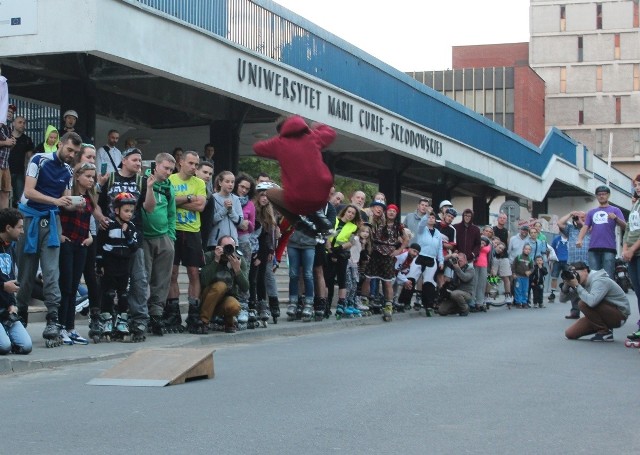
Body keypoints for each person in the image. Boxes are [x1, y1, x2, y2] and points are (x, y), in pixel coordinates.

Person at [16, 131, 79, 347]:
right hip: (29, 219)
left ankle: (53, 319)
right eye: (69, 149)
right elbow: (29, 191)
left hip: (52, 221)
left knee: (52, 272)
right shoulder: (38, 159)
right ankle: (19, 314)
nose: (71, 154)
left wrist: (77, 202)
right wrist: (57, 201)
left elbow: (66, 201)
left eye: (75, 152)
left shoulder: (69, 170)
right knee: (26, 273)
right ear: (60, 144)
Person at [97, 147, 156, 340]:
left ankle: (138, 319)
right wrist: (99, 186)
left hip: (133, 238)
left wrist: (150, 188)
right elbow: (98, 203)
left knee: (138, 279)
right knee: (109, 281)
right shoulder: (111, 178)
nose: (139, 163)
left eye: (140, 160)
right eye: (135, 160)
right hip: (110, 239)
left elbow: (149, 208)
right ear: (124, 160)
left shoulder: (142, 181)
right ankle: (105, 318)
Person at [252, 115, 336, 237]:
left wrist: (279, 139)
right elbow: (331, 133)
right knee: (310, 191)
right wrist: (318, 126)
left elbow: (257, 148)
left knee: (269, 193)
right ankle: (319, 218)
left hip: (297, 200)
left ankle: (300, 224)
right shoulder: (313, 137)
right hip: (322, 197)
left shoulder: (279, 143)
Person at [58, 162, 97, 345]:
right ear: (78, 176)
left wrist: (89, 236)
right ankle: (60, 327)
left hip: (82, 244)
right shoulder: (68, 194)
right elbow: (57, 213)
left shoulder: (89, 196)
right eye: (88, 176)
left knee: (74, 286)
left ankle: (70, 328)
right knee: (65, 287)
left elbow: (87, 220)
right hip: (67, 243)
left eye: (92, 177)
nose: (91, 180)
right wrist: (60, 235)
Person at [167, 151, 206, 333]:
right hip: (174, 230)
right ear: (180, 162)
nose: (194, 167)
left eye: (196, 164)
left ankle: (193, 314)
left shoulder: (199, 182)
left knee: (193, 273)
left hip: (192, 231)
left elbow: (201, 206)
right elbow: (168, 202)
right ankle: (173, 314)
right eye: (190, 163)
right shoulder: (171, 180)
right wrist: (190, 198)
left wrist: (178, 202)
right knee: (172, 273)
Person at [94, 192, 140, 342]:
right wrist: (99, 264)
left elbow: (134, 247)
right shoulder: (108, 225)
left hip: (124, 264)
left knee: (124, 294)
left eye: (131, 211)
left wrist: (127, 233)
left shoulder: (132, 227)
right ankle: (106, 319)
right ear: (116, 210)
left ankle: (122, 319)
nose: (129, 214)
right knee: (108, 293)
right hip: (109, 264)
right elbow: (99, 245)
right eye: (126, 211)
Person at [142, 153, 177, 335]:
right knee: (143, 277)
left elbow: (172, 213)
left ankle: (156, 314)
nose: (169, 172)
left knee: (162, 280)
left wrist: (171, 238)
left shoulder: (170, 187)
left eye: (171, 169)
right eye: (166, 168)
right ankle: (140, 314)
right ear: (156, 165)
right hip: (144, 237)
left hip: (164, 238)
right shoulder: (143, 180)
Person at [561, 261, 630, 341]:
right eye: (571, 273)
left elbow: (592, 302)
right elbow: (562, 299)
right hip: (602, 314)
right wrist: (566, 284)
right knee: (570, 333)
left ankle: (605, 332)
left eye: (575, 272)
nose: (574, 276)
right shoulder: (581, 283)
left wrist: (577, 286)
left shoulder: (599, 280)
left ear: (585, 270)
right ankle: (603, 327)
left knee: (583, 303)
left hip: (619, 316)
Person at [198, 235, 247, 333]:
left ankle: (229, 322)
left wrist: (237, 270)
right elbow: (203, 281)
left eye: (231, 247)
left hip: (224, 300)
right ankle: (204, 322)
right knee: (221, 286)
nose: (228, 250)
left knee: (235, 306)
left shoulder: (238, 260)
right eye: (225, 247)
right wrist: (216, 260)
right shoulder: (209, 256)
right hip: (207, 297)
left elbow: (245, 288)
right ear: (218, 247)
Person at [0, 208, 31, 355]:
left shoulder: (10, 247)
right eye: (19, 227)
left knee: (26, 346)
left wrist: (12, 304)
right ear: (8, 228)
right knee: (4, 347)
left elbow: (10, 279)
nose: (22, 231)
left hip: (5, 310)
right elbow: (5, 284)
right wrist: (3, 286)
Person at [577, 185, 626, 278]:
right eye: (599, 194)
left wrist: (616, 218)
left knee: (608, 276)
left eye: (604, 194)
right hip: (593, 248)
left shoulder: (615, 210)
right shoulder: (592, 212)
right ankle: (596, 293)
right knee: (594, 276)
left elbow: (625, 227)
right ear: (596, 196)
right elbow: (585, 226)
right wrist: (579, 239)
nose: (601, 196)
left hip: (609, 247)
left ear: (608, 195)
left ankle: (608, 292)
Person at [248, 183, 277, 325]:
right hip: (252, 248)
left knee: (261, 278)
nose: (265, 199)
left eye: (267, 196)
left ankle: (262, 304)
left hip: (264, 250)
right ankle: (251, 304)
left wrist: (270, 251)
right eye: (263, 195)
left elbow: (269, 236)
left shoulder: (269, 213)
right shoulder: (252, 208)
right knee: (252, 278)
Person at [325, 204, 362, 319]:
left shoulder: (354, 227)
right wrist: (330, 250)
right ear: (344, 211)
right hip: (328, 251)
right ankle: (326, 304)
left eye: (353, 213)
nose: (350, 214)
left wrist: (339, 249)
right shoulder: (334, 220)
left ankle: (341, 304)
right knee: (328, 280)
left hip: (342, 254)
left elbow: (351, 242)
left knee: (342, 279)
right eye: (349, 212)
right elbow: (327, 236)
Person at [557, 211, 590, 318]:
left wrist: (581, 221)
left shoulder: (590, 229)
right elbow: (560, 223)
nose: (581, 219)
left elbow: (586, 226)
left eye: (584, 217)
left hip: (587, 263)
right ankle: (575, 311)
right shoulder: (571, 229)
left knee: (588, 288)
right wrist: (570, 214)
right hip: (573, 262)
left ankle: (589, 313)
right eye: (580, 217)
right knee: (574, 287)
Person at [414, 211, 444, 316]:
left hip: (431, 258)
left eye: (433, 217)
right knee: (412, 278)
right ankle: (404, 301)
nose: (431, 219)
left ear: (435, 220)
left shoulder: (438, 234)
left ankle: (428, 305)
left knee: (429, 283)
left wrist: (441, 261)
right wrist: (426, 215)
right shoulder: (422, 229)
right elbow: (421, 224)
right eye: (429, 217)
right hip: (420, 256)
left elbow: (440, 248)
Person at [622, 174, 640, 336]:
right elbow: (628, 229)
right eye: (636, 185)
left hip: (637, 252)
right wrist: (625, 248)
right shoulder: (635, 206)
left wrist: (633, 249)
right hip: (631, 254)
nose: (638, 187)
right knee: (638, 290)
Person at [208, 170, 243, 247]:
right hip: (216, 242)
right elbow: (211, 221)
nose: (230, 184)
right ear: (220, 183)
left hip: (233, 243)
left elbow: (240, 222)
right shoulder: (213, 198)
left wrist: (231, 210)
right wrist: (224, 209)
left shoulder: (236, 199)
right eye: (227, 182)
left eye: (232, 182)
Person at [7, 115, 34, 208]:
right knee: (4, 196)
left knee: (19, 199)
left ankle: (18, 220)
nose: (22, 125)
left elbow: (30, 159)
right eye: (20, 122)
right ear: (13, 123)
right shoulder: (6, 137)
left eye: (24, 123)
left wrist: (28, 174)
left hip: (19, 173)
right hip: (6, 170)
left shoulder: (27, 140)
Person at [438, 252, 475, 316]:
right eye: (457, 260)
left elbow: (465, 278)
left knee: (455, 294)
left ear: (465, 261)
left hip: (466, 293)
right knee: (442, 311)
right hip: (454, 294)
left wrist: (457, 267)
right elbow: (443, 261)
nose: (458, 262)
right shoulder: (455, 265)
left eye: (460, 260)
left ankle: (465, 308)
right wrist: (451, 256)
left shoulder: (470, 268)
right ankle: (459, 308)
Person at [0, 105, 16, 209]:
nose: (10, 113)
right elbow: (5, 143)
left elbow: (8, 148)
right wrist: (6, 142)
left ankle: (4, 217)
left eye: (11, 112)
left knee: (6, 191)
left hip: (5, 164)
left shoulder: (9, 128)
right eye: (8, 111)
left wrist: (12, 143)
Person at [196, 161, 214, 245]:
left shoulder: (210, 196)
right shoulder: (185, 188)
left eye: (210, 174)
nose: (207, 176)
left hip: (201, 236)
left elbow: (208, 223)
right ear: (196, 171)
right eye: (205, 172)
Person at [549, 231, 569, 301]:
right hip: (557, 261)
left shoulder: (570, 240)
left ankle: (564, 293)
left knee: (566, 279)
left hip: (567, 261)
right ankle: (552, 293)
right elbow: (552, 249)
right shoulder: (556, 239)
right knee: (554, 277)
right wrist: (552, 259)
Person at [512, 243, 533, 309]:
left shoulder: (530, 259)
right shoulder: (518, 257)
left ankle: (524, 302)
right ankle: (518, 302)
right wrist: (514, 273)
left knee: (525, 290)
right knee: (518, 289)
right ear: (523, 249)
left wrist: (529, 271)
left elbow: (532, 268)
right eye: (526, 249)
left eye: (529, 249)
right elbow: (513, 266)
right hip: (518, 276)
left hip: (526, 278)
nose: (527, 250)